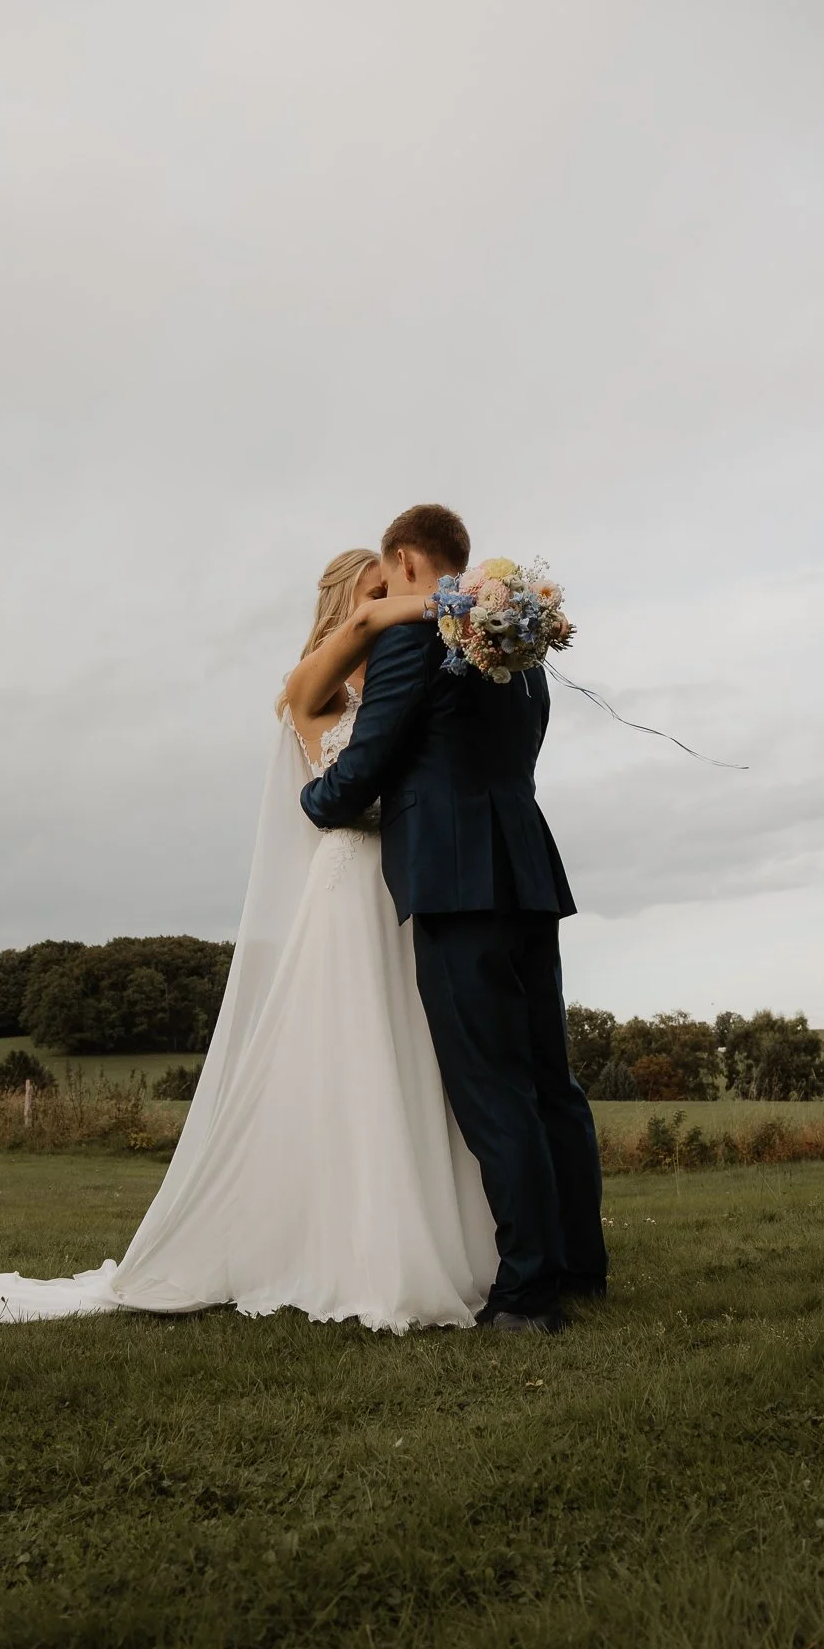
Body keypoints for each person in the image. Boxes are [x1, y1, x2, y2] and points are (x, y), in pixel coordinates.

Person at [0, 547, 499, 1329]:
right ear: (349, 598)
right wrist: (465, 602)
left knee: (412, 1052)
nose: (389, 605)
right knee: (353, 1053)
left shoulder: (397, 677)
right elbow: (339, 763)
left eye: (397, 590)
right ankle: (355, 1251)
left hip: (402, 880)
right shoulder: (309, 684)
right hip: (348, 876)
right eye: (376, 592)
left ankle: (429, 1233)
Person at [301, 504, 607, 1335]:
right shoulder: (519, 642)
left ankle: (525, 1294)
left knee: (490, 1086)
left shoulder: (415, 636)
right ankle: (581, 1266)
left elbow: (365, 764)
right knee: (550, 1082)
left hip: (453, 880)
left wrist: (316, 797)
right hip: (526, 871)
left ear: (401, 559)